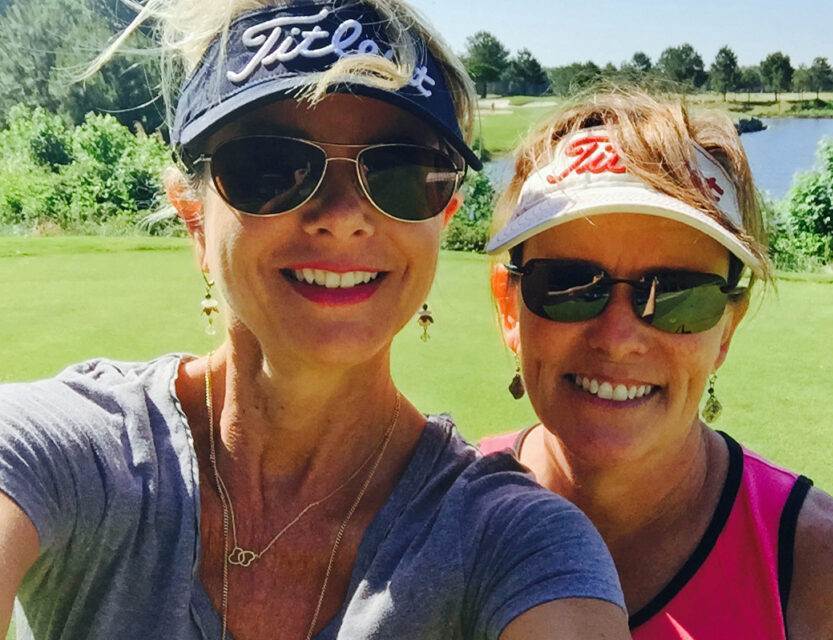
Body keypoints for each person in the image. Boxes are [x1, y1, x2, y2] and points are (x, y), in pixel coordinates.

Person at [0, 2, 631, 638]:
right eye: (271, 167)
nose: (343, 215)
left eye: (402, 170)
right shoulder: (68, 450)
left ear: (443, 217)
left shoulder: (517, 539)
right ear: (194, 216)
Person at [480, 90, 833, 639]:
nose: (620, 339)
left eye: (678, 296)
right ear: (509, 307)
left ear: (726, 330)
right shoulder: (431, 512)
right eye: (571, 285)